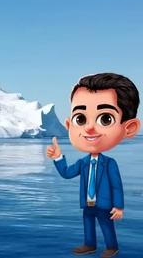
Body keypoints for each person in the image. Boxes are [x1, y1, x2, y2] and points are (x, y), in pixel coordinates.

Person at [47, 73, 140, 257]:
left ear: (128, 128)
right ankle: (89, 244)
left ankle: (111, 247)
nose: (89, 128)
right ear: (69, 124)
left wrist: (119, 206)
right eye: (80, 119)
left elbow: (116, 186)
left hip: (104, 203)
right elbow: (67, 173)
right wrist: (58, 158)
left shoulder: (109, 163)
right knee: (88, 222)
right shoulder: (83, 162)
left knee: (106, 224)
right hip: (88, 203)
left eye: (105, 119)